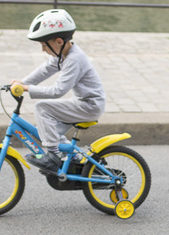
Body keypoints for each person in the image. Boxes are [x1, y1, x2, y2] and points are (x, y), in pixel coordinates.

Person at [10, 9, 106, 172]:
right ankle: (77, 158)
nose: (43, 50)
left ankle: (53, 157)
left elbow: (58, 91)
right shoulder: (65, 54)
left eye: (44, 45)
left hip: (90, 105)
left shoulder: (74, 59)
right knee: (49, 130)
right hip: (84, 102)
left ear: (59, 41)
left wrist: (26, 89)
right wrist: (22, 82)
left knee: (42, 108)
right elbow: (46, 69)